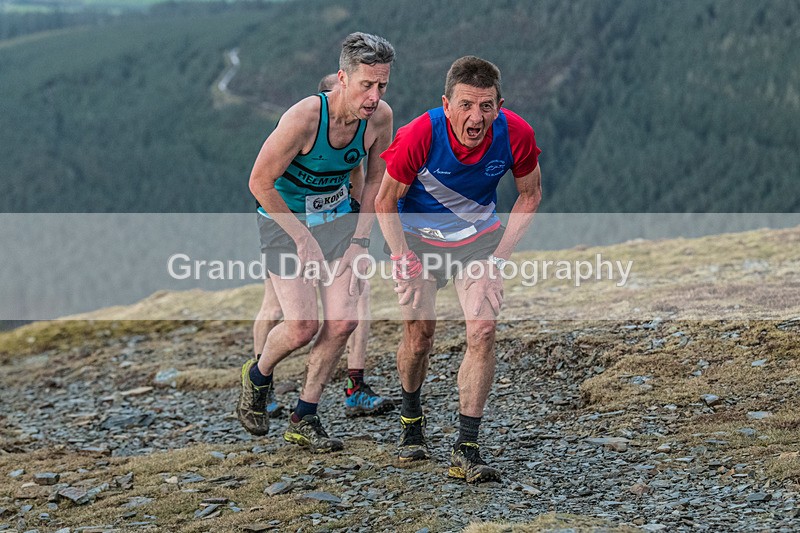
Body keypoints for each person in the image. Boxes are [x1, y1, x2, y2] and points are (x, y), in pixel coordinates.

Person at [375, 56, 542, 482]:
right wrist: (403, 261)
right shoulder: (420, 134)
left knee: (482, 329)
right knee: (420, 337)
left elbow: (530, 195)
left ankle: (466, 447)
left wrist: (497, 262)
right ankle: (411, 422)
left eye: (486, 106)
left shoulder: (516, 133)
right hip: (418, 241)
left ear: (499, 105)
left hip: (477, 242)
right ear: (446, 104)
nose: (476, 117)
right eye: (466, 105)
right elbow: (384, 200)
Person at [239, 32, 395, 453]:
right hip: (284, 220)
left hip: (338, 220)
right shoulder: (306, 117)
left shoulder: (380, 118)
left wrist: (360, 241)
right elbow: (259, 183)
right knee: (302, 327)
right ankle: (257, 375)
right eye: (366, 85)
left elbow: (376, 179)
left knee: (343, 322)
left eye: (382, 85)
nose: (374, 96)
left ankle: (304, 416)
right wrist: (302, 238)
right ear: (342, 79)